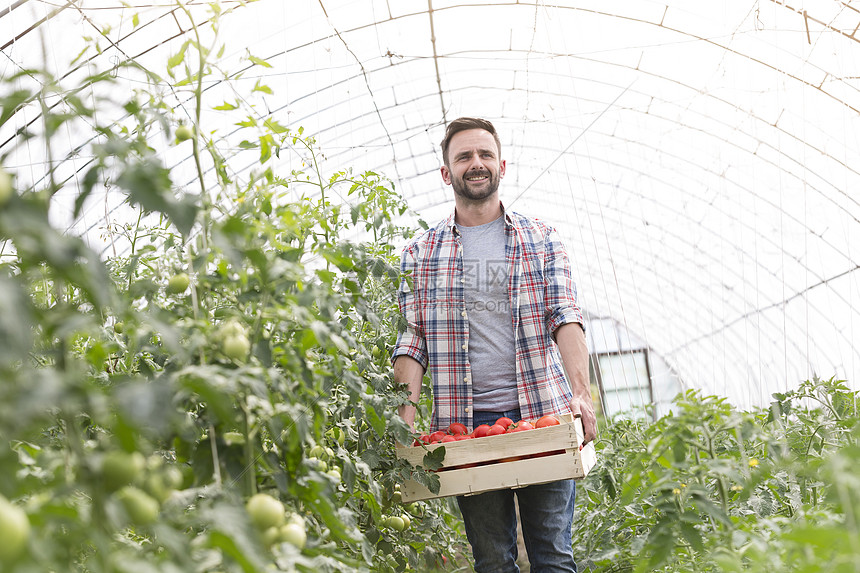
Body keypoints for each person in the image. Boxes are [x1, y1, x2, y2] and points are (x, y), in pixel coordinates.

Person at [391, 116, 597, 572]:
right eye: (463, 156)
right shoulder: (420, 255)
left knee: (553, 556)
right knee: (492, 561)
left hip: (541, 414)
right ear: (447, 173)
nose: (476, 163)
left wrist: (581, 393)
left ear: (501, 164)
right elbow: (413, 342)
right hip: (465, 427)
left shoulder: (541, 240)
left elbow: (565, 316)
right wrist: (405, 423)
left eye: (484, 154)